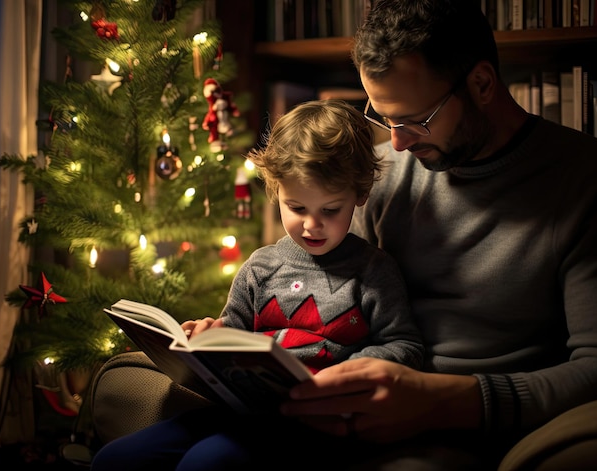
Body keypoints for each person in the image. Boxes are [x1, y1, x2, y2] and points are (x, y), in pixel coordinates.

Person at [277, 0, 597, 469]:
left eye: (416, 119)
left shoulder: (587, 181)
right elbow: (321, 290)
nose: (397, 143)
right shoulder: (382, 176)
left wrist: (444, 401)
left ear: (481, 84)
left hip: (480, 431)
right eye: (382, 116)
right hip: (357, 409)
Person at [91, 99, 424, 471]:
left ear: (359, 195)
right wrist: (203, 335)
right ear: (275, 190)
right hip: (241, 411)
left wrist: (354, 370)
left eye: (330, 210)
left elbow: (406, 346)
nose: (312, 225)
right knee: (115, 460)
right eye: (296, 208)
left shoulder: (373, 272)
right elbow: (230, 338)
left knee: (206, 463)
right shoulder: (259, 268)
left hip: (314, 425)